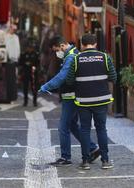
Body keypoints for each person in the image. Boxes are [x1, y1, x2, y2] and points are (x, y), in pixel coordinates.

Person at [39, 36, 99, 166]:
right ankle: (92, 148)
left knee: (63, 127)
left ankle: (66, 157)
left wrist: (46, 86)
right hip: (73, 96)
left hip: (71, 97)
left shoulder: (71, 57)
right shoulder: (73, 54)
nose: (56, 53)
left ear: (61, 46)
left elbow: (62, 76)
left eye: (56, 50)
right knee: (72, 125)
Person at [66, 33, 117, 170]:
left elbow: (69, 81)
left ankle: (85, 161)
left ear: (82, 45)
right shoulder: (105, 58)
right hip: (101, 100)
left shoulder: (76, 59)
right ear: (95, 44)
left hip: (83, 101)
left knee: (84, 130)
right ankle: (105, 161)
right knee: (101, 129)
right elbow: (114, 77)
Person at [19, 42, 40, 107]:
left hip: (33, 73)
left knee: (34, 88)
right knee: (25, 87)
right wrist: (25, 64)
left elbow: (38, 63)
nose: (29, 49)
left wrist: (34, 67)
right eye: (28, 48)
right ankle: (25, 101)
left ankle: (35, 101)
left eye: (31, 48)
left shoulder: (36, 54)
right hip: (26, 72)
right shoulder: (23, 54)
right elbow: (20, 63)